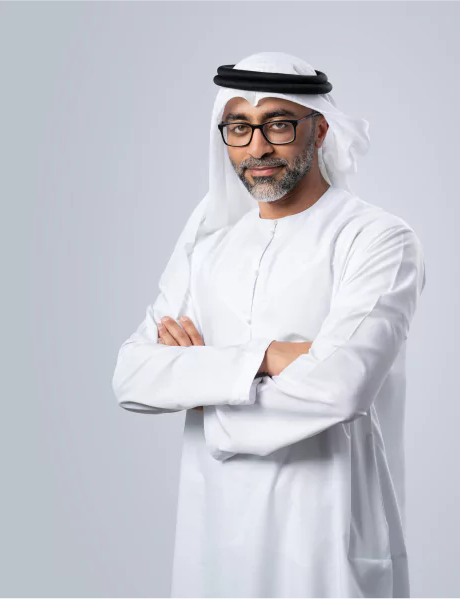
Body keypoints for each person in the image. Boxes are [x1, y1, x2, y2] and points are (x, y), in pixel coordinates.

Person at [111, 51, 426, 599]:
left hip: (326, 535)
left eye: (278, 124)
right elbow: (132, 377)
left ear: (319, 129)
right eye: (239, 127)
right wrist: (270, 357)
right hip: (213, 537)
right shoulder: (208, 248)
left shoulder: (377, 239)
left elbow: (341, 386)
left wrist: (202, 390)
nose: (256, 147)